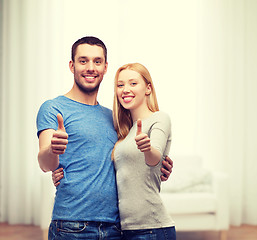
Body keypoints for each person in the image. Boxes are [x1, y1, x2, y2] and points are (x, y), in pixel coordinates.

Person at [37, 36, 173, 240]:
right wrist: (53, 150)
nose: (90, 67)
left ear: (105, 67)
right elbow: (45, 163)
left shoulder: (116, 118)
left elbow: (132, 157)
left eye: (97, 61)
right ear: (72, 65)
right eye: (83, 61)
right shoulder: (53, 108)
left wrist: (161, 163)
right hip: (72, 226)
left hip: (116, 228)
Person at [112, 63, 176, 239]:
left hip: (152, 229)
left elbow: (155, 157)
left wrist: (147, 148)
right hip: (124, 229)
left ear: (148, 88)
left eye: (133, 83)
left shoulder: (159, 118)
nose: (125, 89)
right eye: (120, 85)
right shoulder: (124, 132)